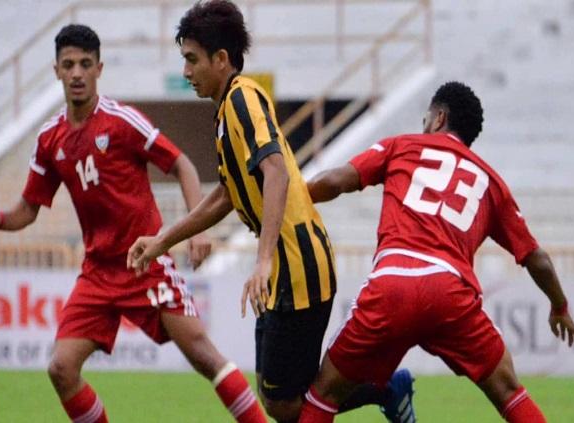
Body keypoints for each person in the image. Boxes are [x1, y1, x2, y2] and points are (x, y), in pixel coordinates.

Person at [127, 2, 415, 422]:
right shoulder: (226, 110)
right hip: (283, 269)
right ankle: (383, 387)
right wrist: (163, 241)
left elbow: (276, 169)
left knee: (285, 403)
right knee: (280, 398)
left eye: (192, 59)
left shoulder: (243, 97)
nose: (186, 71)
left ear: (221, 59)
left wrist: (263, 259)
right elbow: (227, 196)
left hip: (298, 267)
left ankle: (387, 387)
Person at [0, 24, 266, 423]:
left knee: (204, 356)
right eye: (68, 65)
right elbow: (28, 209)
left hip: (145, 260)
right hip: (97, 272)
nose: (77, 72)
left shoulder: (120, 121)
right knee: (61, 368)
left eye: (85, 64)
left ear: (99, 69)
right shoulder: (50, 138)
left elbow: (180, 162)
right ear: (56, 72)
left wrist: (195, 229)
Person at [298, 81, 574, 423]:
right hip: (451, 293)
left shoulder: (402, 146)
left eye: (426, 119)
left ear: (439, 117)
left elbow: (333, 182)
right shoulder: (490, 182)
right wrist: (560, 306)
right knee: (509, 390)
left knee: (325, 393)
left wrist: (287, 202)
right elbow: (535, 258)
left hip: (393, 284)